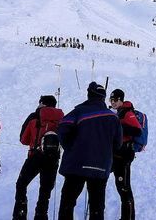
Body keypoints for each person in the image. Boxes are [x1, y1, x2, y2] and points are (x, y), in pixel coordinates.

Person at [57, 82, 122, 220]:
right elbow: (118, 143)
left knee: (67, 203)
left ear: (89, 95)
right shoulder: (114, 118)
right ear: (103, 97)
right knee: (97, 207)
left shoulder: (79, 112)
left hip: (76, 165)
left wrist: (71, 148)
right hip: (101, 166)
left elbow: (62, 128)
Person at [13, 95, 65, 220]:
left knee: (21, 184)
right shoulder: (61, 118)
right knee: (45, 190)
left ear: (42, 103)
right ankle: (41, 215)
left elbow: (23, 139)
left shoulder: (34, 116)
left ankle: (20, 214)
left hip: (35, 156)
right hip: (53, 159)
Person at [109, 89, 142, 220]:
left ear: (121, 100)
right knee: (119, 186)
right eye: (111, 100)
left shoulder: (127, 113)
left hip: (124, 155)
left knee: (124, 188)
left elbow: (137, 130)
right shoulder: (117, 113)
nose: (113, 102)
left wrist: (119, 127)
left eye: (116, 100)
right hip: (116, 154)